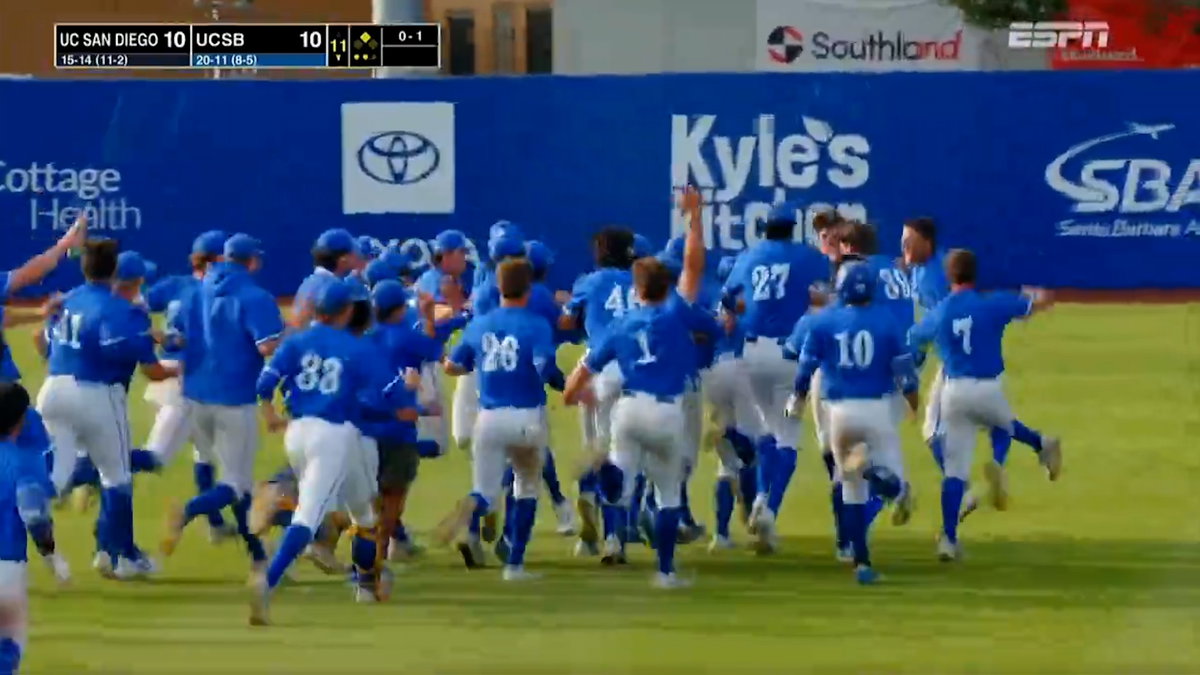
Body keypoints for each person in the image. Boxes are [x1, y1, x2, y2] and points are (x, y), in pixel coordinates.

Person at [562, 186, 713, 588]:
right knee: (666, 491)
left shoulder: (614, 313)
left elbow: (583, 357)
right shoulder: (676, 309)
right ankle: (664, 571)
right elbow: (695, 268)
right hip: (664, 405)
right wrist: (695, 216)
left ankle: (611, 514)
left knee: (619, 463)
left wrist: (572, 390)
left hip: (617, 392)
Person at [250, 280, 393, 625]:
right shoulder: (356, 347)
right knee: (311, 513)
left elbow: (264, 384)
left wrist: (270, 413)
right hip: (335, 435)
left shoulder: (295, 342)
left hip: (296, 432)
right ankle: (267, 581)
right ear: (347, 311)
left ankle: (365, 586)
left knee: (363, 515)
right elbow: (385, 396)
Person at [907, 249, 1060, 561]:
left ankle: (948, 540)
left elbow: (914, 339)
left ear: (949, 277)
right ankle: (1040, 444)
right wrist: (1037, 296)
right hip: (989, 388)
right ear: (975, 275)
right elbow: (1040, 303)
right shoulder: (992, 303)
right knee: (1004, 424)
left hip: (954, 394)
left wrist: (917, 357)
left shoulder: (939, 312)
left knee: (954, 472)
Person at [38, 239, 175, 579]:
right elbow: (152, 371)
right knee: (116, 478)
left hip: (53, 390)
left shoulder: (68, 299)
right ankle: (124, 557)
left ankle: (18, 510)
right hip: (97, 394)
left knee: (58, 477)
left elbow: (39, 341)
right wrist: (185, 367)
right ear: (117, 274)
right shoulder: (123, 312)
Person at [786, 261, 918, 584]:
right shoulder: (886, 320)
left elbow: (805, 369)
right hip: (876, 408)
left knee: (850, 492)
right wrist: (914, 403)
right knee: (897, 487)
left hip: (838, 411)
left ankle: (862, 564)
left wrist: (797, 400)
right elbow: (905, 373)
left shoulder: (824, 321)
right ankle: (872, 472)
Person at [436, 259, 565, 581]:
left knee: (485, 489)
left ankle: (471, 514)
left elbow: (453, 366)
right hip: (525, 416)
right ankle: (515, 565)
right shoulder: (536, 325)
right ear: (529, 288)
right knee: (526, 488)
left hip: (488, 418)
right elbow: (544, 369)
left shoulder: (479, 324)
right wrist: (568, 386)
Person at [160, 234, 282, 569]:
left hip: (194, 396)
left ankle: (258, 555)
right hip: (235, 399)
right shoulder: (254, 296)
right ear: (252, 261)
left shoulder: (192, 291)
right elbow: (268, 347)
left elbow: (175, 341)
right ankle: (188, 511)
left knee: (229, 477)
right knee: (237, 483)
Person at [722, 202, 830, 553]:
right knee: (788, 438)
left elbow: (727, 299)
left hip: (752, 353)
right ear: (791, 227)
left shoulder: (749, 256)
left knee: (768, 430)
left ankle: (761, 505)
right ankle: (766, 506)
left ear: (765, 228)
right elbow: (827, 291)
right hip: (790, 354)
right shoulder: (807, 256)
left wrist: (746, 309)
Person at [141, 231, 237, 543]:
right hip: (186, 381)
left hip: (170, 373)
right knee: (156, 457)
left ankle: (214, 522)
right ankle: (88, 470)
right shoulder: (216, 292)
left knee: (206, 452)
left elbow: (133, 307)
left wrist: (156, 336)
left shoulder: (174, 284)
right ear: (217, 259)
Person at [558, 226, 639, 557]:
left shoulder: (589, 282)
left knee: (596, 450)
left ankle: (588, 503)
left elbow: (565, 323)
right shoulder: (642, 281)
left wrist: (579, 313)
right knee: (624, 456)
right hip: (635, 369)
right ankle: (614, 538)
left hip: (595, 368)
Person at [0, 382, 60, 673]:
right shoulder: (24, 463)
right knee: (8, 648)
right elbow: (35, 518)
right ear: (21, 419)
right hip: (5, 571)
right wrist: (50, 553)